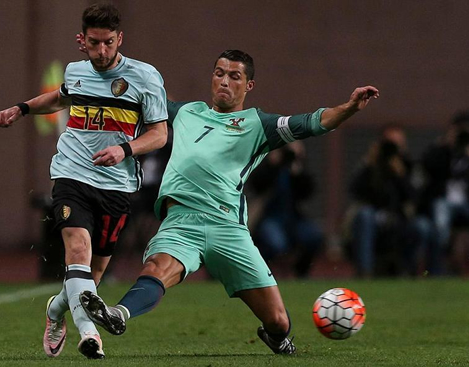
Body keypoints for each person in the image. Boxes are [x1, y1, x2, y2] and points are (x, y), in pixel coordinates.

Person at [78, 49, 379, 355]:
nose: (224, 81)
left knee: (277, 320)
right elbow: (140, 98)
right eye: (219, 73)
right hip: (181, 220)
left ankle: (276, 336)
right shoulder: (185, 112)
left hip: (227, 228)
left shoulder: (258, 124)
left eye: (234, 76)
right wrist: (105, 62)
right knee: (157, 268)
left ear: (249, 85)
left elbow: (313, 122)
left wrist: (350, 107)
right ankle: (119, 314)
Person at [0, 3, 168, 359]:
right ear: (81, 41)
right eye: (94, 43)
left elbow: (159, 134)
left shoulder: (145, 77)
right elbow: (60, 98)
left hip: (117, 184)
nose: (101, 51)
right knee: (77, 253)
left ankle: (56, 310)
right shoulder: (76, 71)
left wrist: (126, 149)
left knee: (94, 275)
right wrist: (23, 108)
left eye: (108, 43)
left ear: (120, 38)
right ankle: (90, 336)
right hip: (71, 174)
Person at [347, 124, 437, 277]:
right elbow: (355, 190)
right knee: (365, 214)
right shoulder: (370, 165)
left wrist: (401, 174)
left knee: (423, 226)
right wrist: (370, 164)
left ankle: (412, 272)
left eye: (397, 143)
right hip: (374, 217)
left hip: (401, 219)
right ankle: (365, 273)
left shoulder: (410, 166)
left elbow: (416, 196)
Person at [249, 141, 323, 278]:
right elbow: (256, 185)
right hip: (269, 217)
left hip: (294, 218)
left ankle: (301, 272)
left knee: (314, 236)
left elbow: (308, 191)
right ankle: (263, 274)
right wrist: (272, 164)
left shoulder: (295, 169)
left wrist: (298, 167)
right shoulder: (267, 166)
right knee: (275, 243)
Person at [421, 111, 469, 273]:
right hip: (444, 201)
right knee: (440, 227)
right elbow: (427, 167)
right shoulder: (442, 149)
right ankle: (437, 270)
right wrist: (446, 146)